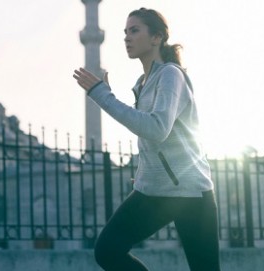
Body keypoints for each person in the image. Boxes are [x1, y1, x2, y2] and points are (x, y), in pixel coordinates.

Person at [73, 7, 221, 271]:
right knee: (107, 250)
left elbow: (156, 129)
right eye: (125, 32)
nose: (127, 38)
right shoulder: (143, 83)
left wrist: (102, 95)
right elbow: (151, 142)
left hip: (190, 193)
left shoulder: (170, 75)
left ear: (156, 38)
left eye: (134, 30)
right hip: (154, 191)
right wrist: (146, 173)